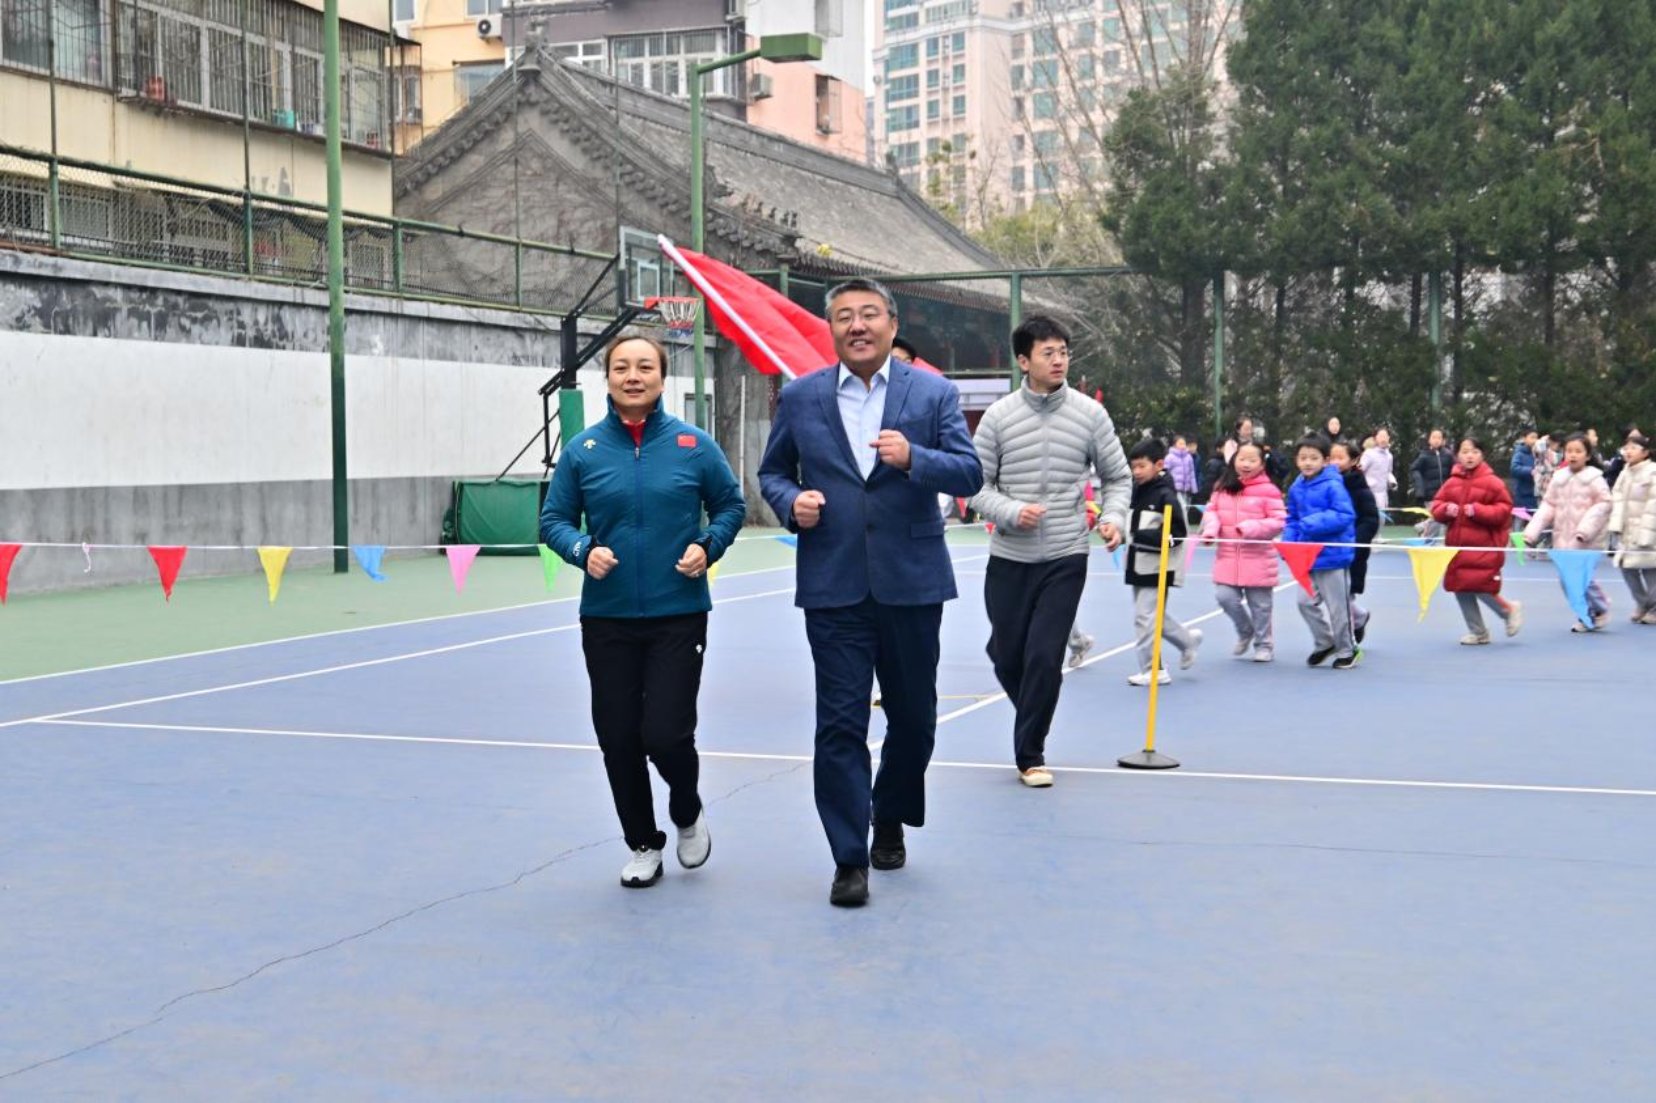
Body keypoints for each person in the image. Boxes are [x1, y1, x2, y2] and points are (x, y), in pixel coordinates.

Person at [758, 277, 982, 909]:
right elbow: (772, 471)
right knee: (839, 724)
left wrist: (914, 459)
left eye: (869, 314)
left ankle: (890, 813)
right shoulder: (801, 396)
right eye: (844, 316)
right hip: (833, 585)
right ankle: (848, 856)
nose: (857, 325)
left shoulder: (932, 392)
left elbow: (969, 472)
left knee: (914, 720)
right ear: (831, 328)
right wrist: (790, 502)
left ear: (891, 324)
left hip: (912, 581)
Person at [539, 332, 746, 889]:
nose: (633, 376)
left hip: (679, 613)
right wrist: (582, 550)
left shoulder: (694, 445)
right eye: (622, 367)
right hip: (606, 618)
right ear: (607, 378)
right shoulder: (583, 450)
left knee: (667, 734)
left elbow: (731, 505)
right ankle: (642, 843)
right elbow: (553, 520)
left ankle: (686, 809)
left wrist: (708, 545)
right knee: (618, 737)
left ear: (661, 377)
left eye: (645, 367)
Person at [967, 315, 1129, 787]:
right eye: (1047, 353)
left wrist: (1113, 518)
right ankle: (1033, 712)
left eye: (1063, 352)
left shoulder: (1090, 415)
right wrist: (1011, 511)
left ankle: (1030, 754)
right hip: (1009, 557)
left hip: (1065, 554)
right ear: (1024, 360)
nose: (1059, 360)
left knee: (1043, 657)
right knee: (1007, 657)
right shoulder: (998, 417)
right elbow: (974, 485)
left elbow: (1117, 477)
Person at [1123, 438, 1202, 685]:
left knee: (1144, 617)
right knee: (1152, 616)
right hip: (1137, 564)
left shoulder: (1167, 496)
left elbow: (1176, 536)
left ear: (1158, 465)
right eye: (1133, 467)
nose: (1136, 472)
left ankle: (1154, 670)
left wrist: (1140, 535)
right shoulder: (1136, 491)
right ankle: (1187, 641)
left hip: (1158, 567)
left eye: (1141, 466)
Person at [1430, 437, 1522, 644]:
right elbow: (1436, 506)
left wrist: (1478, 511)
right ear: (1457, 455)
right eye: (1464, 452)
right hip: (1456, 547)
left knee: (1479, 585)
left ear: (1482, 455)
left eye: (1474, 452)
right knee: (1459, 587)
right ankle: (1478, 631)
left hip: (1484, 545)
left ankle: (1508, 610)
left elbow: (1504, 510)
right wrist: (1445, 509)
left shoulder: (1493, 483)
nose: (1469, 456)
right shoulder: (1451, 482)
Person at [1199, 441, 1286, 662]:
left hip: (1258, 558)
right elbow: (1211, 511)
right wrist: (1210, 530)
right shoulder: (1222, 486)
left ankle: (1264, 645)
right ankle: (1245, 630)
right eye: (1242, 459)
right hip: (1227, 556)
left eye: (1252, 460)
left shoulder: (1269, 490)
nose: (1246, 464)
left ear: (1261, 464)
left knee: (1261, 606)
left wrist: (1251, 528)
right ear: (1234, 460)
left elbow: (1279, 521)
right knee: (1224, 597)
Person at [1283, 435, 1360, 668]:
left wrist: (1312, 523)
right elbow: (1292, 519)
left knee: (1338, 609)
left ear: (1326, 460)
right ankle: (1325, 642)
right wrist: (1289, 544)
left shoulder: (1333, 485)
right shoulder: (1296, 487)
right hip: (1307, 558)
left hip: (1333, 557)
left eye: (1313, 458)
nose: (1307, 462)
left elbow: (1345, 515)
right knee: (1304, 603)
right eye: (1303, 458)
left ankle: (1347, 650)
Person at [1523, 432, 1613, 631]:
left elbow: (1604, 504)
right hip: (1562, 536)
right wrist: (1531, 533)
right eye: (1569, 451)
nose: (1573, 455)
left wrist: (1585, 530)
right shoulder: (1559, 477)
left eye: (1578, 451)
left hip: (1586, 538)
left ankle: (1595, 610)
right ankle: (1594, 609)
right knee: (1567, 580)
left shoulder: (1595, 479)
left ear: (1587, 455)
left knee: (1581, 578)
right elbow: (1548, 505)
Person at [1330, 440, 1379, 644]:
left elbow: (1370, 520)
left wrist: (1355, 543)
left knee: (1344, 596)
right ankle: (1359, 617)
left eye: (1340, 457)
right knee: (1331, 596)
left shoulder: (1360, 487)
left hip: (1351, 552)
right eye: (1331, 458)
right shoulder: (1323, 484)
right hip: (1328, 550)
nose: (1335, 462)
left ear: (1353, 460)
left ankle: (1346, 642)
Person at [1609, 432, 1656, 624]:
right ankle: (1643, 603)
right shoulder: (1624, 472)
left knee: (1650, 569)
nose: (1628, 451)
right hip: (1627, 530)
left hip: (1648, 530)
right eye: (1626, 448)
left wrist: (1647, 531)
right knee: (1627, 567)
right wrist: (1616, 524)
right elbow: (1616, 498)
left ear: (1645, 452)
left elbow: (1653, 504)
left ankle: (1654, 607)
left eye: (1633, 448)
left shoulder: (1653, 472)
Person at [1410, 428, 1456, 538]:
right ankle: (1428, 542)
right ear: (1429, 440)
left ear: (1443, 440)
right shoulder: (1423, 455)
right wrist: (1420, 489)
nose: (1436, 440)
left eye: (1439, 437)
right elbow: (1414, 470)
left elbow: (1455, 471)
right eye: (1434, 437)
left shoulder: (1448, 455)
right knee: (1436, 519)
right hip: (1430, 494)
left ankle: (1422, 527)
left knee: (1443, 518)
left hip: (1446, 495)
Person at [1359, 427, 1396, 514]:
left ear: (1388, 438)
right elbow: (1360, 471)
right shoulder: (1369, 454)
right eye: (1381, 436)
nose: (1383, 439)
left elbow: (1388, 472)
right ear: (1375, 439)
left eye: (1385, 436)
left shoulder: (1389, 456)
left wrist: (1392, 482)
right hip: (1369, 493)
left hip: (1383, 494)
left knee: (1381, 519)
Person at [1165, 433, 1199, 513]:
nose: (1183, 445)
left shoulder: (1189, 457)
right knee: (1174, 508)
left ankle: (1182, 520)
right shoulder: (1170, 457)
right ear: (1174, 445)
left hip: (1186, 490)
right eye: (1180, 443)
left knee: (1185, 509)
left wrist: (1194, 488)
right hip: (1174, 489)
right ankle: (1168, 520)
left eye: (1184, 443)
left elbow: (1192, 474)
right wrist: (1166, 485)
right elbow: (1164, 471)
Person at [1509, 429, 1539, 510]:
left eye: (1536, 438)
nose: (1535, 440)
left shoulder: (1538, 453)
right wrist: (1530, 471)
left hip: (1536, 494)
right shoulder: (1519, 453)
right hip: (1523, 495)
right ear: (1524, 439)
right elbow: (1514, 468)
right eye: (1532, 437)